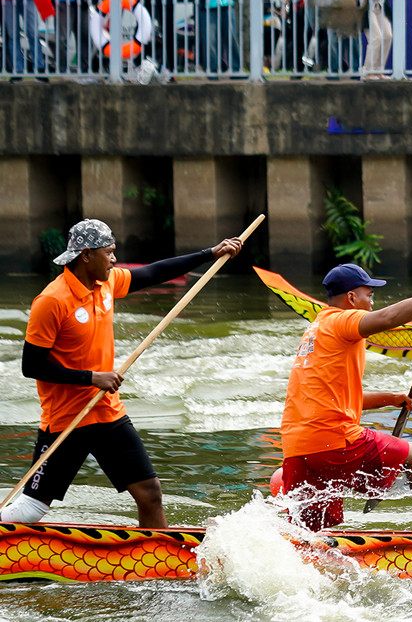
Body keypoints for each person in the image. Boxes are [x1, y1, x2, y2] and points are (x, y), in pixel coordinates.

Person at [1, 219, 242, 527]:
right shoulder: (51, 301)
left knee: (150, 492)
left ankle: (156, 564)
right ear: (86, 255)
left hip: (107, 413)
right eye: (109, 252)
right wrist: (91, 377)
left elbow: (153, 272)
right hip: (67, 418)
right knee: (30, 511)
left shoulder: (107, 283)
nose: (114, 260)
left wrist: (210, 253)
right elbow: (31, 366)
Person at [280, 263, 412, 534]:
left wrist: (390, 398)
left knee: (311, 538)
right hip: (330, 439)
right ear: (351, 298)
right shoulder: (342, 320)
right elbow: (388, 319)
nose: (372, 302)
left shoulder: (316, 329)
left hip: (297, 447)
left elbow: (340, 397)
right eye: (369, 295)